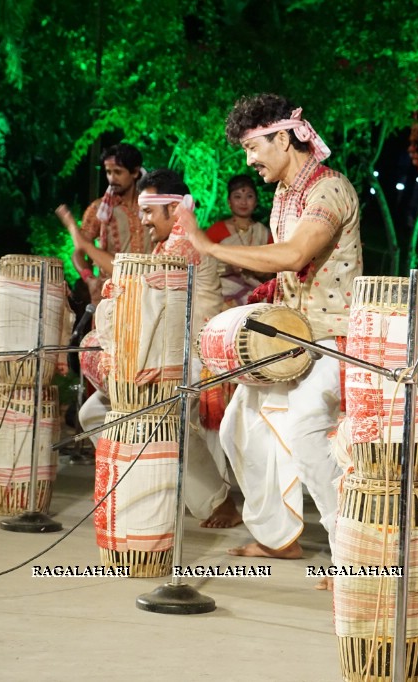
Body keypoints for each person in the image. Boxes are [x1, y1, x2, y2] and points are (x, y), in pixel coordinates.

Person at [176, 93, 362, 568]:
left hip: (329, 338)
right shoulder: (283, 194)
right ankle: (278, 537)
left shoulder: (329, 189)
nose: (249, 160)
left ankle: (355, 558)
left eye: (253, 147)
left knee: (306, 432)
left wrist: (207, 245)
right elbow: (283, 272)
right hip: (290, 335)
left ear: (283, 137)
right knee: (242, 425)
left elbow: (294, 256)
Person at [57, 168, 241, 528]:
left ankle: (219, 504)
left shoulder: (185, 243)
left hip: (188, 357)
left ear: (174, 210)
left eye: (148, 212)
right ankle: (154, 480)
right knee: (94, 414)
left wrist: (86, 248)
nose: (142, 221)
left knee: (164, 422)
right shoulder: (165, 245)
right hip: (160, 353)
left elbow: (134, 285)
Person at [68, 143, 148, 304]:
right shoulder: (99, 209)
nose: (112, 178)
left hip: (148, 295)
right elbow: (79, 251)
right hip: (112, 297)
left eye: (118, 172)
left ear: (134, 172)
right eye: (108, 172)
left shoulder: (151, 208)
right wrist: (89, 278)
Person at [204, 174, 273, 307]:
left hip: (256, 295)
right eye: (237, 196)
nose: (243, 202)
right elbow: (204, 267)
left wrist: (252, 266)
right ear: (229, 201)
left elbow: (271, 272)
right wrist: (228, 267)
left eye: (249, 196)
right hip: (221, 293)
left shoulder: (264, 233)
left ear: (256, 201)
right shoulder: (216, 230)